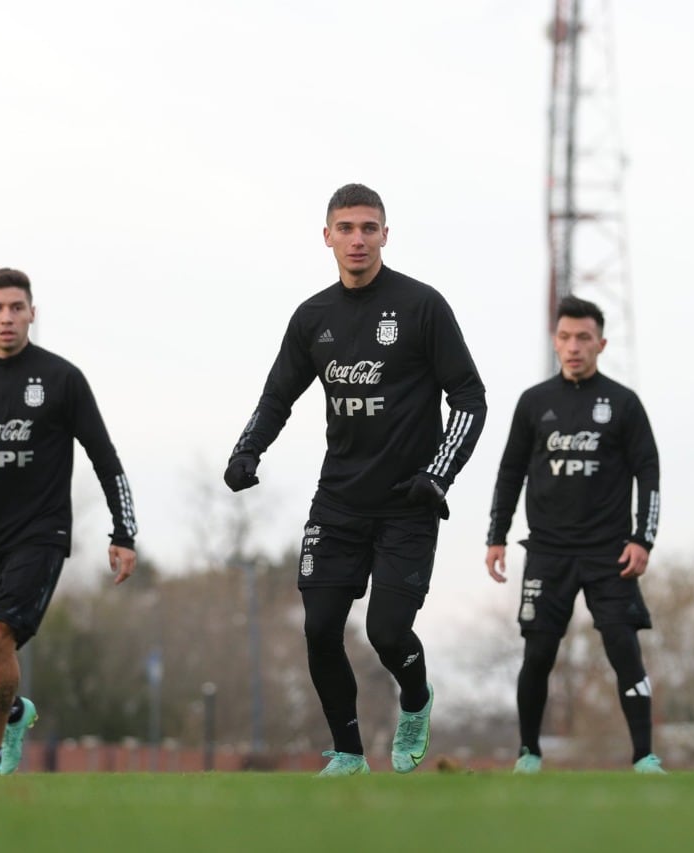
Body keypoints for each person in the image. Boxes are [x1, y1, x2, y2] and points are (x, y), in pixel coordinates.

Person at [224, 183, 487, 777]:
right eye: (346, 228)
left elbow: (470, 398)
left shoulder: (423, 307)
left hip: (407, 504)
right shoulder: (312, 317)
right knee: (319, 628)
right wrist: (247, 451)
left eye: (369, 227)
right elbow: (276, 398)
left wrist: (438, 474)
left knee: (388, 633)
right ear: (327, 237)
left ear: (385, 235)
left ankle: (415, 702)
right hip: (338, 502)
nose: (358, 239)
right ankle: (347, 754)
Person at [0, 268, 138, 777]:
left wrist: (123, 533)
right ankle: (15, 710)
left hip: (41, 536)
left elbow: (105, 458)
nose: (6, 317)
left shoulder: (63, 379)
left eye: (16, 308)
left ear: (31, 313)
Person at [485, 295, 663, 774]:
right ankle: (528, 753)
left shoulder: (623, 404)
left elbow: (649, 473)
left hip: (610, 553)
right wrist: (496, 535)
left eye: (584, 337)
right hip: (547, 551)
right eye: (565, 337)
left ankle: (645, 757)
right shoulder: (534, 402)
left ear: (601, 343)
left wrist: (643, 540)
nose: (574, 346)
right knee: (538, 652)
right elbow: (510, 472)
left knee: (624, 649)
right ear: (555, 340)